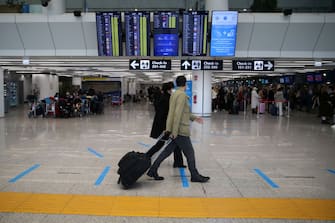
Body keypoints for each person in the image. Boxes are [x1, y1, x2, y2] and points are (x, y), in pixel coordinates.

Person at [147, 75, 210, 183]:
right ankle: (194, 175)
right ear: (185, 84)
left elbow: (176, 113)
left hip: (175, 129)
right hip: (181, 130)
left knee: (166, 151)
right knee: (190, 153)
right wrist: (175, 132)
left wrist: (194, 118)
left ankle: (152, 170)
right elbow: (177, 114)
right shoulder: (182, 96)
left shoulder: (174, 94)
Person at [147, 82, 186, 168]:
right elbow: (164, 114)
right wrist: (166, 128)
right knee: (160, 144)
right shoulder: (167, 99)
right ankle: (146, 157)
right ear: (169, 89)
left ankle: (178, 162)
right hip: (165, 126)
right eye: (172, 88)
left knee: (176, 143)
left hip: (163, 125)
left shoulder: (161, 97)